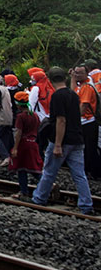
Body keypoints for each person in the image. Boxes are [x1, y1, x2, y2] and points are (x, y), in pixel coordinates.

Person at [24, 67, 94, 214]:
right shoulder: (74, 95)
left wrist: (57, 145)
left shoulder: (57, 97)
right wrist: (73, 78)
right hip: (77, 139)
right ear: (65, 79)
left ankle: (39, 198)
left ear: (49, 79)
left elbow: (61, 120)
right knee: (79, 174)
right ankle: (86, 205)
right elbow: (72, 92)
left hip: (63, 140)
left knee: (49, 171)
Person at [8, 91, 43, 197]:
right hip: (34, 143)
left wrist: (15, 148)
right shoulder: (35, 115)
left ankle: (24, 191)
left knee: (21, 169)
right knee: (34, 167)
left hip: (23, 145)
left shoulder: (21, 117)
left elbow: (18, 133)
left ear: (18, 104)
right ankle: (48, 184)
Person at [72, 65, 100, 179]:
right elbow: (73, 92)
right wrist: (73, 78)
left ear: (86, 74)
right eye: (76, 73)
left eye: (80, 73)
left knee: (90, 148)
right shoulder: (81, 86)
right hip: (84, 122)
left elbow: (84, 105)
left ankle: (94, 172)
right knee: (85, 148)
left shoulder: (87, 87)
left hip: (88, 122)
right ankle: (88, 170)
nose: (77, 75)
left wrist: (74, 119)